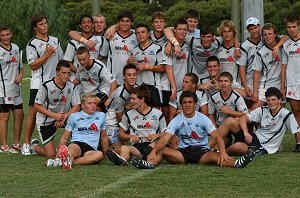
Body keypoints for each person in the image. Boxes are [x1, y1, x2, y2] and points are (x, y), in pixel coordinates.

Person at [130, 91, 255, 169]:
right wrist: (154, 150)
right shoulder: (177, 119)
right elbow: (165, 138)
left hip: (201, 152)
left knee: (218, 158)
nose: (187, 105)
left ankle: (237, 163)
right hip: (182, 153)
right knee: (159, 148)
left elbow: (217, 137)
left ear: (195, 104)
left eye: (190, 102)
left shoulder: (203, 118)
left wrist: (222, 152)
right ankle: (149, 164)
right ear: (181, 105)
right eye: (184, 102)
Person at [22, 13, 63, 155]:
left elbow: (61, 62)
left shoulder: (55, 40)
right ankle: (26, 144)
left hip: (54, 84)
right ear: (35, 27)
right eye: (41, 24)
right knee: (33, 113)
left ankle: (56, 143)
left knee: (58, 110)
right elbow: (32, 65)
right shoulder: (31, 44)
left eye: (45, 23)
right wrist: (46, 54)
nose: (44, 26)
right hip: (38, 84)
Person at [105, 85, 167, 166]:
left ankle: (149, 163)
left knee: (155, 146)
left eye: (134, 99)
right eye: (131, 98)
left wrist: (156, 135)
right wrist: (130, 136)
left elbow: (166, 133)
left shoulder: (158, 114)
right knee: (124, 148)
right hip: (137, 147)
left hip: (152, 145)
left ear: (142, 99)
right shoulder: (128, 114)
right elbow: (120, 134)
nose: (131, 101)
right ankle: (122, 160)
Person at [32, 60, 81, 158]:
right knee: (51, 154)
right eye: (64, 73)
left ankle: (76, 145)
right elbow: (37, 106)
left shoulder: (72, 86)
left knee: (78, 120)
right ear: (57, 72)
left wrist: (65, 116)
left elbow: (77, 106)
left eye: (68, 73)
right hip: (46, 120)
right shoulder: (46, 85)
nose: (67, 76)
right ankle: (35, 147)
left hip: (63, 117)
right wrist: (55, 116)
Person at [54, 92, 109, 170]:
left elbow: (104, 137)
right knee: (72, 149)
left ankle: (67, 162)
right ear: (83, 105)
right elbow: (65, 138)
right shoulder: (74, 116)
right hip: (77, 143)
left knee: (99, 155)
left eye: (94, 103)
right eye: (90, 103)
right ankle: (63, 160)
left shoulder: (101, 116)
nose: (93, 105)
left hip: (91, 149)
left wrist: (106, 154)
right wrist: (57, 156)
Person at [240, 87, 300, 155]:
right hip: (254, 136)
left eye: (273, 100)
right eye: (268, 100)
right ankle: (226, 145)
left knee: (239, 147)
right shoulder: (262, 110)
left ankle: (226, 150)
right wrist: (246, 132)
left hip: (264, 145)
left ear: (280, 100)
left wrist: (298, 144)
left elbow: (296, 129)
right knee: (232, 122)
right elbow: (243, 118)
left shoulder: (286, 114)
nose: (271, 102)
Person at [127, 24, 164, 108]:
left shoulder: (157, 48)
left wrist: (146, 66)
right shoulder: (134, 50)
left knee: (154, 115)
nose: (140, 34)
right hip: (139, 87)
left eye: (143, 32)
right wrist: (128, 63)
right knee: (138, 113)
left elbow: (162, 68)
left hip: (154, 87)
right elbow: (132, 69)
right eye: (138, 33)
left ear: (148, 34)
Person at [0, 25, 24, 153]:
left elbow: (21, 68)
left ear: (11, 34)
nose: (5, 37)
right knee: (4, 116)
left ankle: (16, 144)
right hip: (3, 89)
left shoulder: (16, 48)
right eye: (2, 35)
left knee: (20, 115)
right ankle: (4, 146)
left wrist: (20, 75)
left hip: (16, 89)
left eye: (7, 34)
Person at [160, 18, 189, 123]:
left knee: (180, 114)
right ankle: (166, 137)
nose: (182, 31)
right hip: (168, 86)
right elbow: (168, 67)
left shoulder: (187, 44)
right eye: (179, 29)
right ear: (175, 30)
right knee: (166, 114)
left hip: (182, 86)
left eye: (184, 29)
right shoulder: (167, 47)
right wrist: (174, 87)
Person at [106, 64, 137, 153]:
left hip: (126, 122)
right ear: (124, 77)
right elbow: (119, 118)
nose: (132, 77)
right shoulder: (120, 95)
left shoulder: (136, 88)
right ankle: (104, 142)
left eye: (134, 74)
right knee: (120, 151)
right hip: (113, 124)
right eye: (129, 75)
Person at [251, 23, 282, 110]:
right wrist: (255, 92)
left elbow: (286, 37)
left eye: (270, 34)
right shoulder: (260, 52)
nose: (267, 36)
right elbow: (256, 73)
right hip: (267, 84)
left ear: (275, 34)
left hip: (282, 84)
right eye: (265, 34)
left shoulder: (283, 46)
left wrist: (277, 46)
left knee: (280, 112)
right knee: (254, 111)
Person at [281, 14, 300, 152]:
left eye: (294, 27)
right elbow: (283, 67)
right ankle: (298, 142)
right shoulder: (285, 44)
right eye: (289, 27)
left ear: (299, 26)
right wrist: (283, 85)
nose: (292, 29)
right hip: (292, 83)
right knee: (295, 112)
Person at [237, 17, 264, 108]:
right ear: (248, 31)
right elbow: (242, 67)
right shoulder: (245, 45)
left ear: (259, 26)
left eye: (255, 28)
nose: (253, 31)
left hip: (264, 81)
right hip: (250, 81)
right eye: (250, 29)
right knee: (249, 109)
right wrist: (245, 85)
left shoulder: (266, 39)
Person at [107, 10, 137, 85]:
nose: (124, 24)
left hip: (132, 80)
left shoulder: (137, 35)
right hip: (114, 79)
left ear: (131, 22)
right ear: (118, 22)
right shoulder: (110, 35)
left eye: (127, 21)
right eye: (122, 21)